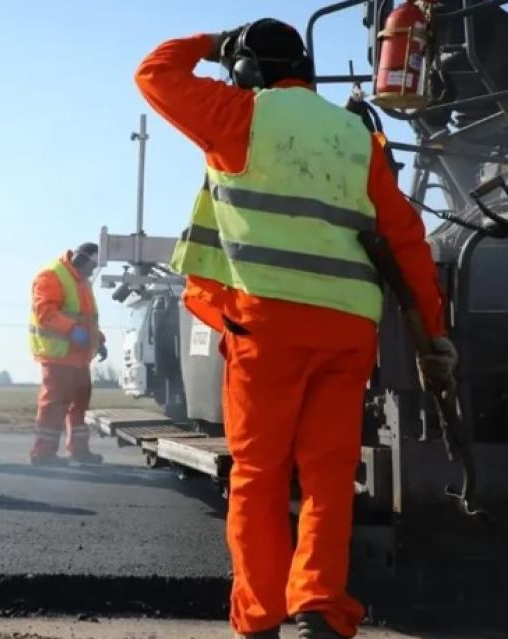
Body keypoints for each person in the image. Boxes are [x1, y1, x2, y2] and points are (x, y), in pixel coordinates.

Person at [135, 19, 454, 639]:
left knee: (259, 475)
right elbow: (407, 239)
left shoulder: (238, 114)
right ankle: (319, 608)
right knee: (329, 477)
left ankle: (260, 619)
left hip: (267, 327)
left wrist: (211, 41)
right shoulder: (354, 134)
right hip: (346, 330)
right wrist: (432, 335)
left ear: (246, 70)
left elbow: (154, 73)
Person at [28, 243, 108, 467]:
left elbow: (86, 318)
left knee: (79, 404)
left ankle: (79, 451)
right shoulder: (52, 275)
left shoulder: (81, 281)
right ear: (82, 259)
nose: (92, 272)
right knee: (54, 404)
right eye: (92, 266)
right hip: (58, 355)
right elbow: (46, 313)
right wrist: (72, 331)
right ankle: (43, 453)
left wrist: (98, 340)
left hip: (79, 356)